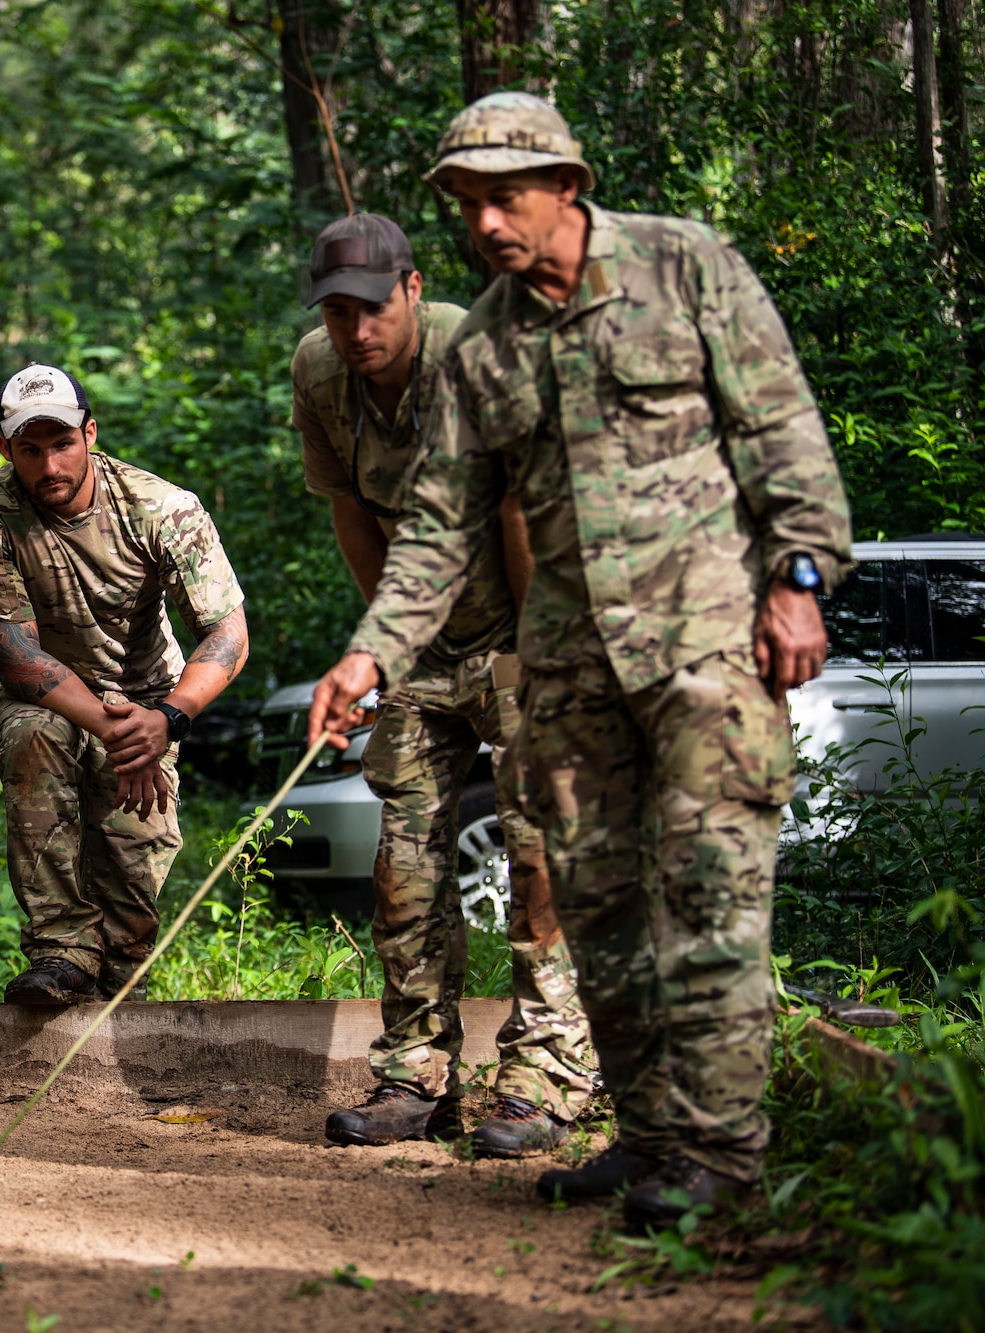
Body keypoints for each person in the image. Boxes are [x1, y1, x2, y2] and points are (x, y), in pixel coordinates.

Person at [307, 93, 851, 1227]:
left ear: (567, 182)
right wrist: (368, 657)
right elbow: (438, 533)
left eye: (506, 196)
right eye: (466, 204)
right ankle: (647, 1138)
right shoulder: (484, 345)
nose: (487, 223)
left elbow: (782, 429)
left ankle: (719, 1158)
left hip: (705, 645)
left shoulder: (683, 265)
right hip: (566, 671)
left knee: (707, 895)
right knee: (594, 912)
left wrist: (799, 578)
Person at [292, 214, 595, 1156]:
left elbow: (520, 513)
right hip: (424, 636)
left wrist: (535, 659)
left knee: (541, 845)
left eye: (373, 307)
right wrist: (384, 646)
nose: (356, 330)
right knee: (407, 857)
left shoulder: (479, 357)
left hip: (533, 610)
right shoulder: (318, 372)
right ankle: (415, 1072)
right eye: (337, 311)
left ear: (414, 290)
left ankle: (551, 1073)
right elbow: (352, 509)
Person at [0, 364, 250, 1007]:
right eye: (30, 449)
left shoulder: (161, 507)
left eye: (62, 444)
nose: (49, 464)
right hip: (45, 693)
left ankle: (117, 985)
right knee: (36, 734)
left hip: (149, 695)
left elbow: (227, 634)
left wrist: (164, 721)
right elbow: (13, 653)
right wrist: (115, 728)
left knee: (132, 870)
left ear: (90, 433)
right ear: (7, 450)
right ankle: (61, 951)